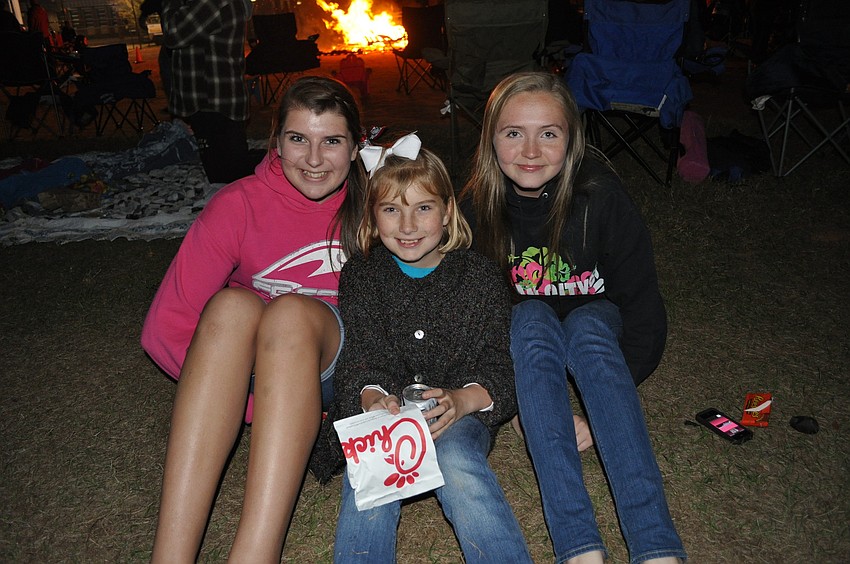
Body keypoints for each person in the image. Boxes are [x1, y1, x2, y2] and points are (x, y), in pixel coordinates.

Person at [459, 72, 686, 564]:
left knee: (586, 324)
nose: (531, 150)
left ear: (572, 139)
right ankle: (579, 546)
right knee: (530, 315)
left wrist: (605, 399)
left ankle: (656, 545)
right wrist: (522, 408)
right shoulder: (475, 209)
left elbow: (643, 306)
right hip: (527, 332)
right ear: (491, 140)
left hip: (596, 324)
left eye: (549, 133)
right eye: (513, 133)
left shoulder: (601, 197)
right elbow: (476, 322)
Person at [141, 75, 367, 562]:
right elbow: (167, 328)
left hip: (342, 370)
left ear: (356, 147)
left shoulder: (377, 206)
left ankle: (255, 554)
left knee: (287, 314)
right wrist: (250, 402)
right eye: (297, 139)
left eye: (332, 141)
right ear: (275, 143)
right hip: (260, 369)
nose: (312, 159)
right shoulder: (237, 204)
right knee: (231, 305)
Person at [313, 136, 531, 562]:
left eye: (423, 208)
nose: (408, 226)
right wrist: (371, 397)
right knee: (370, 473)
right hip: (385, 416)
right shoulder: (362, 275)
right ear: (373, 218)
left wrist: (464, 400)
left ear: (448, 212)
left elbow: (496, 361)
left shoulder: (480, 276)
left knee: (457, 462)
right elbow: (363, 351)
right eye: (392, 209)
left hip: (457, 413)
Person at [160, 0, 252, 184]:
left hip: (213, 98)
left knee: (227, 178)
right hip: (213, 97)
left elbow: (174, 33)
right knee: (231, 171)